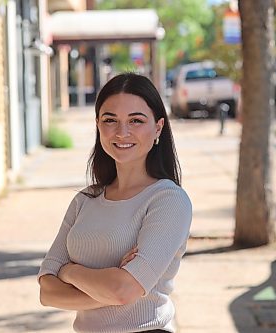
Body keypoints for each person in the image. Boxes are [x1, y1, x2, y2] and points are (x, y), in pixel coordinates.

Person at [37, 72, 192, 333]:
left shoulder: (168, 201)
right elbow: (46, 293)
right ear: (98, 125)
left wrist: (69, 271)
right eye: (110, 120)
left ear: (158, 127)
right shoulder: (85, 200)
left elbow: (122, 290)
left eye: (136, 120)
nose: (122, 132)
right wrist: (110, 287)